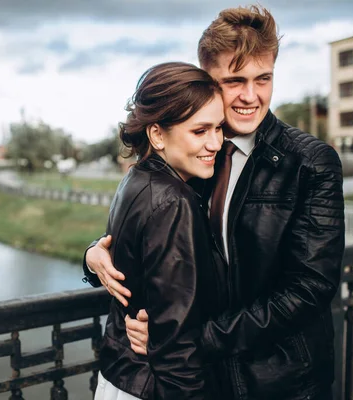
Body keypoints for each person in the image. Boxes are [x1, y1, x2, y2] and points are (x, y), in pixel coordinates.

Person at [83, 5, 345, 400]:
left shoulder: (311, 162)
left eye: (264, 79)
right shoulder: (196, 153)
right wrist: (93, 256)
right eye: (235, 80)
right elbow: (148, 228)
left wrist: (190, 339)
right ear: (208, 79)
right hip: (207, 378)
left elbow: (310, 288)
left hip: (280, 381)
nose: (250, 96)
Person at [92, 61, 227, 400]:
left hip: (120, 377)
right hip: (153, 386)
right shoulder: (174, 200)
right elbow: (177, 345)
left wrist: (91, 254)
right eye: (200, 131)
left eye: (219, 128)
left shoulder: (135, 178)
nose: (215, 143)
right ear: (157, 134)